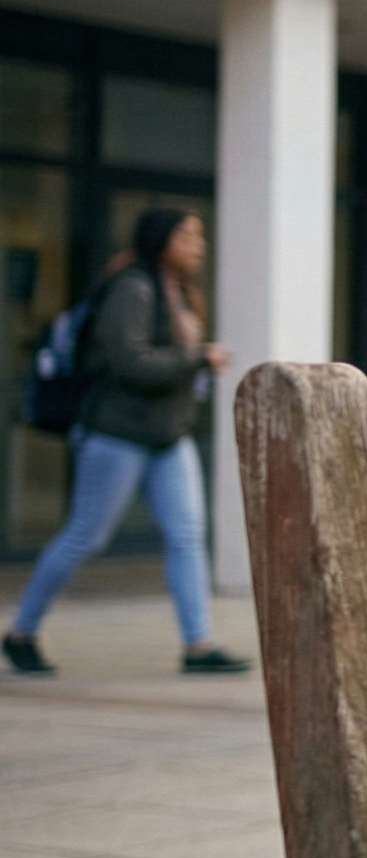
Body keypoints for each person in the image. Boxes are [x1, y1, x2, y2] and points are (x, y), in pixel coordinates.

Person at [5, 209, 251, 677]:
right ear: (161, 240)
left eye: (200, 235)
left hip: (168, 436)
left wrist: (192, 362)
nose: (198, 244)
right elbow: (130, 362)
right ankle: (21, 632)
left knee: (186, 537)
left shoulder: (178, 293)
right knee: (85, 536)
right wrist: (196, 359)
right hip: (118, 434)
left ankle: (198, 646)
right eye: (187, 235)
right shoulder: (133, 288)